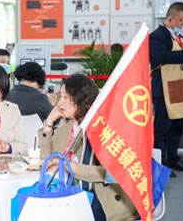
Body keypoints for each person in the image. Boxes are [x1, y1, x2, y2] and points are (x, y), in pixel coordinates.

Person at [39, 74, 137, 221]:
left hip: (102, 197)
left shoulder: (105, 129)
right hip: (72, 190)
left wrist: (72, 167)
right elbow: (47, 159)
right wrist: (49, 123)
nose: (60, 102)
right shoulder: (69, 125)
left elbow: (113, 173)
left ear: (82, 99)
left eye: (66, 97)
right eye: (61, 96)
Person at [150, 1, 183, 175]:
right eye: (180, 20)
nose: (182, 23)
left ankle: (173, 159)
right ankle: (161, 165)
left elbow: (181, 59)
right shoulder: (156, 36)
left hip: (179, 88)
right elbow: (162, 56)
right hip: (163, 90)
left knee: (177, 127)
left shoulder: (178, 37)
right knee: (162, 129)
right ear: (170, 19)